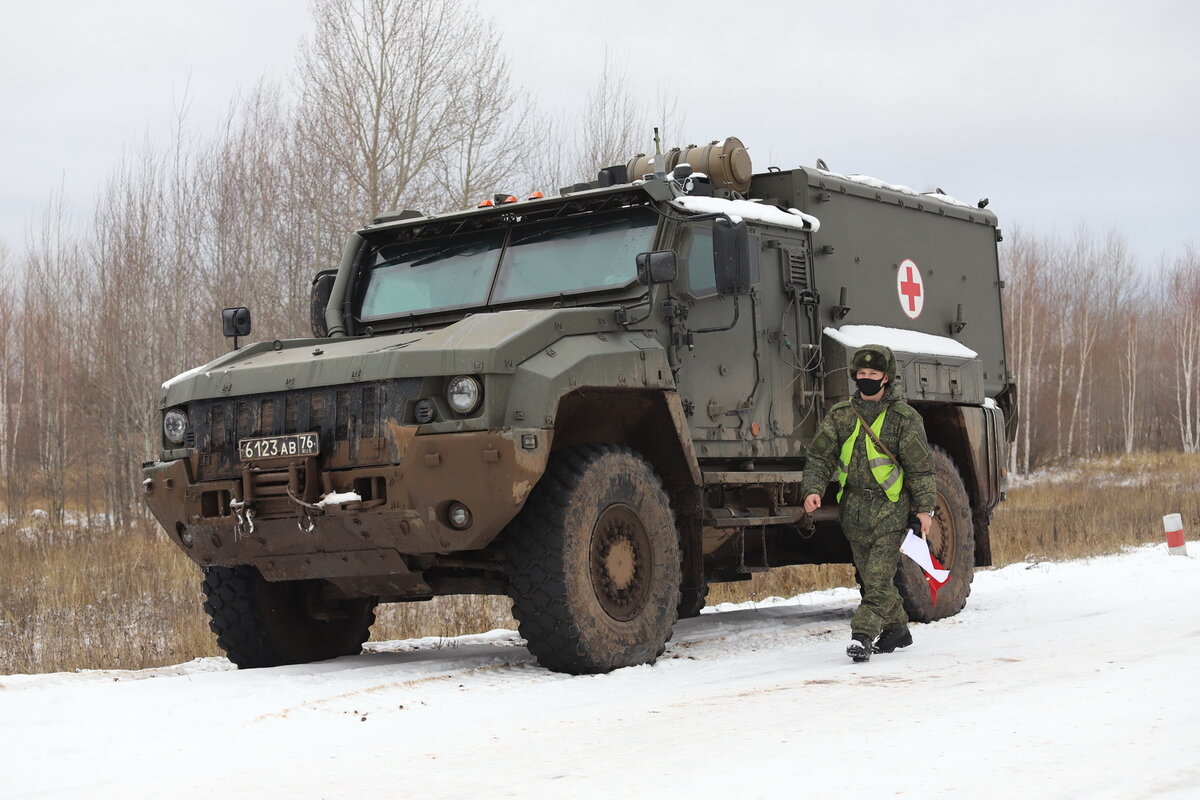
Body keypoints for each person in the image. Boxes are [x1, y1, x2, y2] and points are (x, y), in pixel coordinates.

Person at [800, 344, 936, 663]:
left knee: (876, 578)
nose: (866, 379)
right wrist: (813, 489)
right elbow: (820, 455)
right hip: (854, 510)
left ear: (886, 378)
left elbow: (920, 467)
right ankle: (898, 629)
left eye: (873, 374)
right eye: (861, 374)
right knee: (869, 575)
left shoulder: (904, 419)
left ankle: (862, 635)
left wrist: (924, 510)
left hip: (891, 509)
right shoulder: (841, 416)